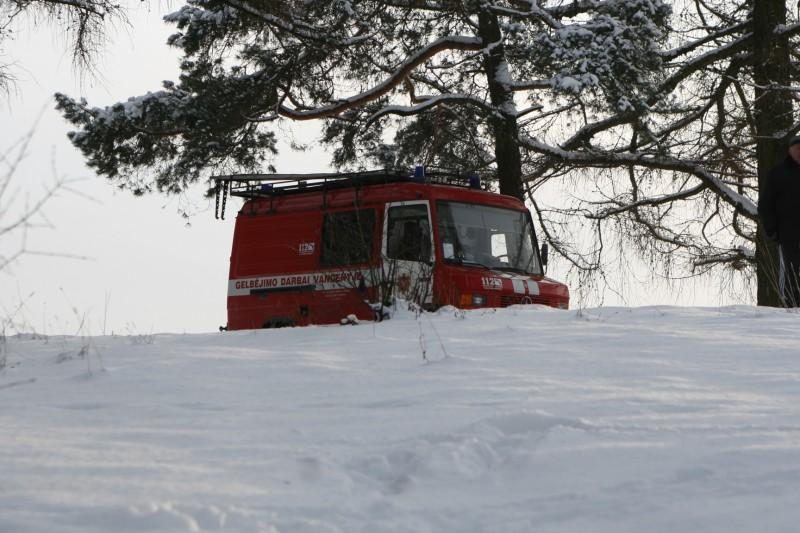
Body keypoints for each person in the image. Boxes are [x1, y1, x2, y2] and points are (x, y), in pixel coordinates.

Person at [759, 137, 800, 307]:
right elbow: (765, 204)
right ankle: (791, 308)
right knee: (790, 271)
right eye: (798, 148)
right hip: (788, 234)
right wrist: (771, 230)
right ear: (790, 151)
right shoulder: (778, 173)